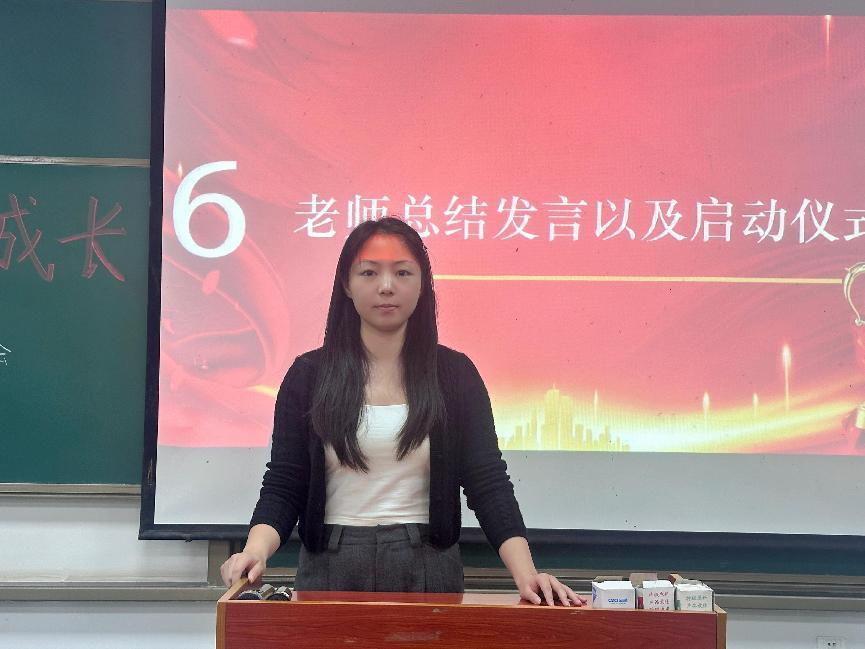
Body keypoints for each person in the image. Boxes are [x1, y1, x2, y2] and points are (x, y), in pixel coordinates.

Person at [220, 217, 586, 606]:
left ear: (423, 284)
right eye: (369, 272)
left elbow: (488, 482)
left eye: (402, 272)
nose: (386, 286)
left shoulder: (454, 374)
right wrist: (255, 551)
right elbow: (285, 481)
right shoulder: (308, 376)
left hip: (427, 563)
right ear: (346, 284)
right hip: (330, 564)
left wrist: (527, 575)